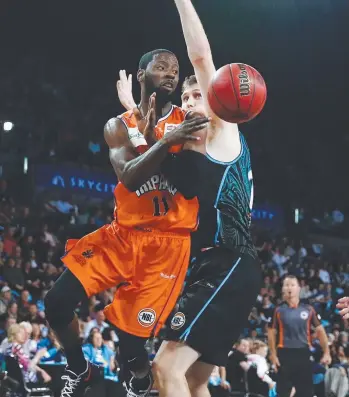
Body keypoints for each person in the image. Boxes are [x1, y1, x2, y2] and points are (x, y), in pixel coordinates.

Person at [44, 49, 210, 397]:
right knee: (56, 302)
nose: (170, 73)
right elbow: (130, 178)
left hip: (167, 245)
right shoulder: (118, 125)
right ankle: (79, 367)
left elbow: (192, 184)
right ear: (141, 74)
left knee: (130, 346)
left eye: (175, 69)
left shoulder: (191, 120)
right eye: (161, 66)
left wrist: (160, 138)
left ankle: (138, 379)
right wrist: (163, 140)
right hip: (121, 235)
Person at [118, 1, 261, 395]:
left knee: (165, 368)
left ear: (216, 102)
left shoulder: (222, 129)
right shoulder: (193, 158)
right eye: (186, 98)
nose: (190, 103)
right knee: (195, 382)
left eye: (198, 95)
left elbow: (201, 56)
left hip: (227, 262)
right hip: (214, 266)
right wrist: (133, 112)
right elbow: (155, 157)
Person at [268, 275, 331, 397]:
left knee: (305, 392)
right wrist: (273, 355)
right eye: (286, 285)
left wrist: (326, 352)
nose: (289, 288)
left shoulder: (308, 309)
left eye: (292, 285)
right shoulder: (278, 310)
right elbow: (271, 334)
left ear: (298, 288)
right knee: (283, 392)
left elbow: (320, 331)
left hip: (303, 353)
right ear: (283, 289)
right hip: (284, 354)